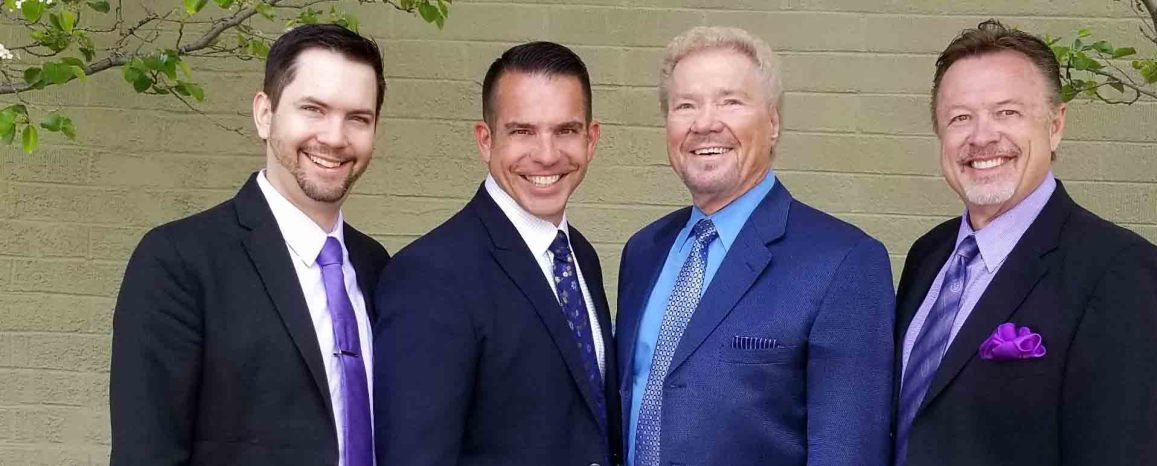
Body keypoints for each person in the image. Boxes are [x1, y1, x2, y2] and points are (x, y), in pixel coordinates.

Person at [892, 19, 1157, 466]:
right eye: (960, 117)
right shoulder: (928, 255)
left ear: (1055, 125)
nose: (981, 136)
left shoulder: (1119, 273)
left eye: (1007, 112)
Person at [616, 26, 896, 466]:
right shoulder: (643, 252)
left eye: (730, 101)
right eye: (686, 105)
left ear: (773, 123)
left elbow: (847, 451)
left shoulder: (844, 262)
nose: (705, 123)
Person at [109, 24, 388, 466]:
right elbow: (147, 453)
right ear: (264, 113)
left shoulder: (377, 267)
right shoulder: (178, 262)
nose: (335, 137)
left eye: (358, 118)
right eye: (313, 109)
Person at [373, 41, 619, 466]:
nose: (546, 155)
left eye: (566, 130)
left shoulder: (579, 255)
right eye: (522, 131)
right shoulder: (429, 277)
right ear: (485, 141)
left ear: (591, 139)